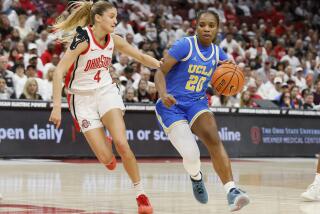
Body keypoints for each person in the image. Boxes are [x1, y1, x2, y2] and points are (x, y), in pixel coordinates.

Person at [48, 1, 160, 213]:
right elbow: (58, 71)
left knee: (122, 143)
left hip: (106, 91)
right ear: (98, 18)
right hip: (81, 99)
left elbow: (142, 57)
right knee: (107, 160)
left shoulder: (114, 40)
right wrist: (56, 106)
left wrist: (163, 65)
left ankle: (141, 195)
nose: (115, 21)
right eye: (111, 16)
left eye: (116, 17)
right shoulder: (82, 39)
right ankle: (105, 143)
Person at [154, 10, 250, 212]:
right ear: (196, 26)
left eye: (211, 25)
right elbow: (160, 72)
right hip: (171, 105)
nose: (206, 28)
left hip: (197, 103)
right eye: (202, 24)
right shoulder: (185, 46)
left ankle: (232, 191)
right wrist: (163, 93)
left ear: (217, 29)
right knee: (192, 155)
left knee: (214, 138)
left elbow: (226, 77)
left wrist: (231, 75)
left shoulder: (218, 53)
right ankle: (196, 176)